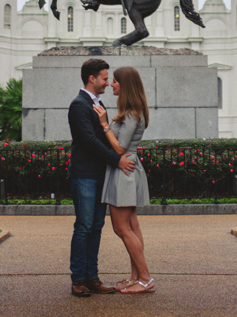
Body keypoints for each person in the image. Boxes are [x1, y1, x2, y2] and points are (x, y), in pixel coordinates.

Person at [68, 58, 135, 297]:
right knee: (84, 226)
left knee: (96, 226)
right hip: (85, 175)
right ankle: (78, 279)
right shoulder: (79, 105)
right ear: (92, 78)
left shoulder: (97, 103)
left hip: (99, 175)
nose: (108, 83)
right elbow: (88, 141)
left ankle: (92, 277)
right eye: (105, 78)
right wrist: (117, 160)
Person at [93, 66, 155, 294]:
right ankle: (136, 277)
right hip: (126, 170)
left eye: (116, 81)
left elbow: (119, 148)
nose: (111, 84)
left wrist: (104, 124)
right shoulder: (131, 111)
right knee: (131, 226)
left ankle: (146, 278)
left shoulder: (132, 113)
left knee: (121, 228)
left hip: (124, 172)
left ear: (125, 85)